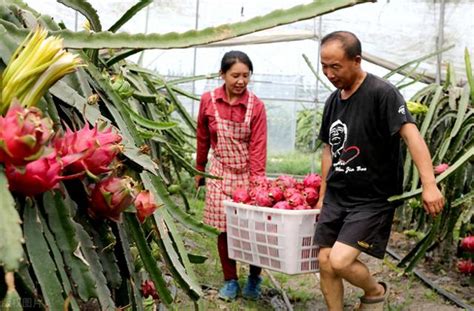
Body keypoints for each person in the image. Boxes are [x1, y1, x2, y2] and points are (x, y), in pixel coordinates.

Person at [314, 31, 445, 310]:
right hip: (338, 195)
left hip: (372, 198)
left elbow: (412, 137)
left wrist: (429, 184)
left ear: (356, 60)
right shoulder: (332, 101)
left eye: (335, 66)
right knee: (325, 262)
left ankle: (374, 292)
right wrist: (323, 194)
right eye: (324, 65)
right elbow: (328, 149)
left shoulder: (381, 93)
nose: (328, 73)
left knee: (339, 260)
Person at [195, 50, 267, 301]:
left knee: (252, 230)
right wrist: (199, 169)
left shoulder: (256, 106)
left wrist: (257, 183)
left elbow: (258, 147)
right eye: (235, 75)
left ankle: (254, 278)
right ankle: (230, 280)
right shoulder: (208, 101)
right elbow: (203, 138)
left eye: (246, 76)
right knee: (224, 230)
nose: (241, 81)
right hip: (219, 171)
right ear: (222, 74)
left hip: (247, 174)